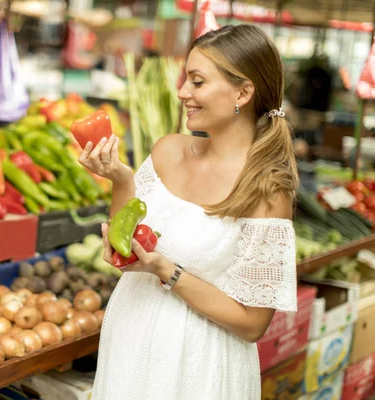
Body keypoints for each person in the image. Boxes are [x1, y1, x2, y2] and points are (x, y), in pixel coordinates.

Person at [78, 24, 299, 399]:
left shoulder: (267, 191)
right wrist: (120, 180)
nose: (183, 93)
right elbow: (125, 249)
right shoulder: (167, 151)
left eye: (197, 82)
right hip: (130, 339)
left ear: (243, 92)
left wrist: (165, 269)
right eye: (185, 81)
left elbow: (252, 324)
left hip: (198, 363)